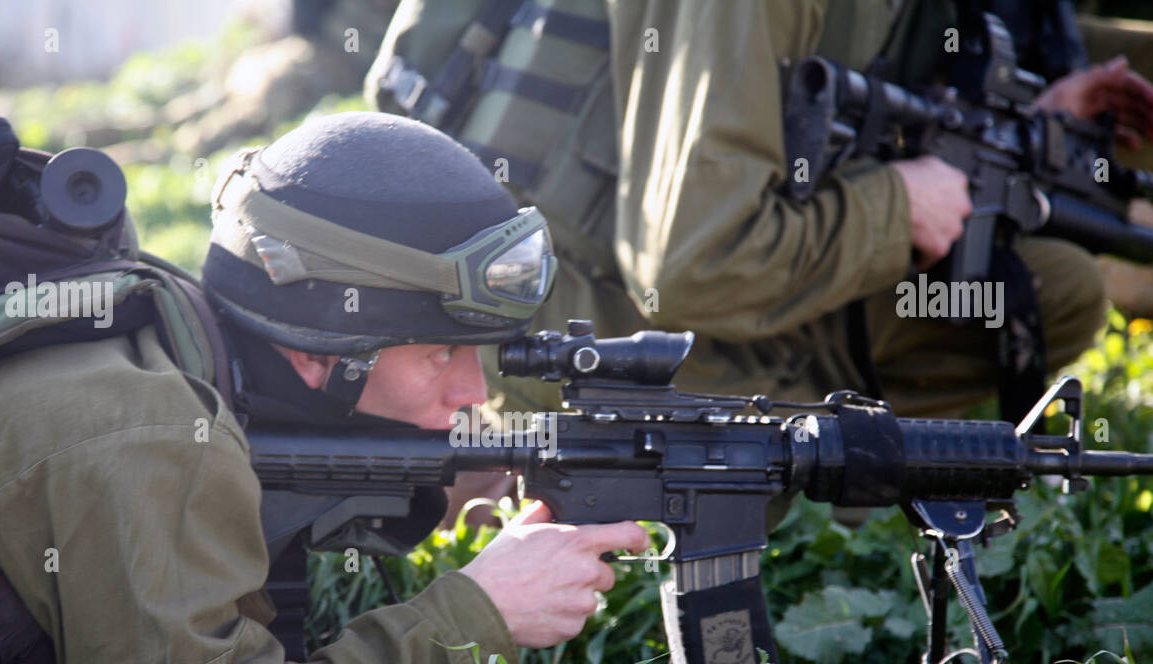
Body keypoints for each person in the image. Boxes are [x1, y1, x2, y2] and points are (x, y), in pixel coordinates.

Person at [0, 111, 649, 664]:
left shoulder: (198, 353)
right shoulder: (150, 443)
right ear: (319, 356)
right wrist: (481, 611)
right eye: (439, 354)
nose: (472, 393)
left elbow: (352, 451)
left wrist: (540, 467)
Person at [368, 0, 1153, 421]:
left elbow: (841, 91)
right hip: (548, 311)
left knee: (1052, 290)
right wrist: (895, 206)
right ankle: (532, 449)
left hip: (612, 259)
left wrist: (1030, 122)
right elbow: (691, 267)